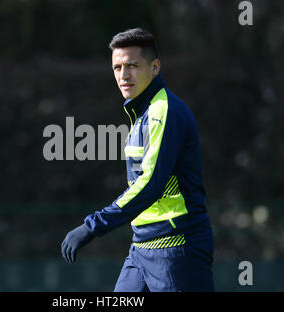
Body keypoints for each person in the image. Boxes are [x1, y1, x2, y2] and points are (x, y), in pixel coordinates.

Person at [61, 28, 215, 292]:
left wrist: (92, 226)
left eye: (132, 65)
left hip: (177, 250)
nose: (123, 75)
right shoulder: (141, 113)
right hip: (141, 251)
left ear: (155, 68)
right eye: (117, 67)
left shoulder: (162, 111)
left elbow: (150, 185)